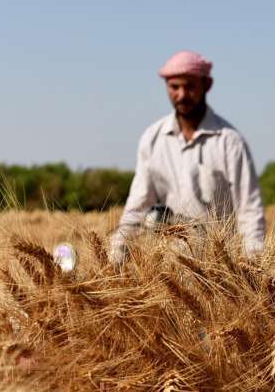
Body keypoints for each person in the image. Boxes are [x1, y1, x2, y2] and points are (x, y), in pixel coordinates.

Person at [109, 51, 266, 264]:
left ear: (206, 85)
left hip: (219, 270)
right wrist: (114, 261)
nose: (181, 94)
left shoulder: (229, 142)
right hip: (165, 270)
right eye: (174, 87)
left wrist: (253, 269)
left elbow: (249, 211)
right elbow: (138, 207)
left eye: (189, 86)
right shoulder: (153, 139)